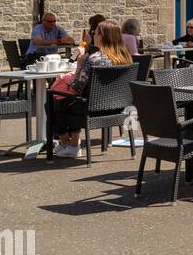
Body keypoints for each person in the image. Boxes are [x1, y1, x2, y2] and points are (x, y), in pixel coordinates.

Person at [49, 21, 132, 158]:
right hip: (117, 108)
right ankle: (71, 144)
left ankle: (67, 143)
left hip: (91, 109)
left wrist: (79, 66)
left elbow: (76, 87)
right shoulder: (126, 58)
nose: (93, 34)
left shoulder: (94, 59)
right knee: (64, 102)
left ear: (102, 36)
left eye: (96, 32)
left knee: (53, 100)